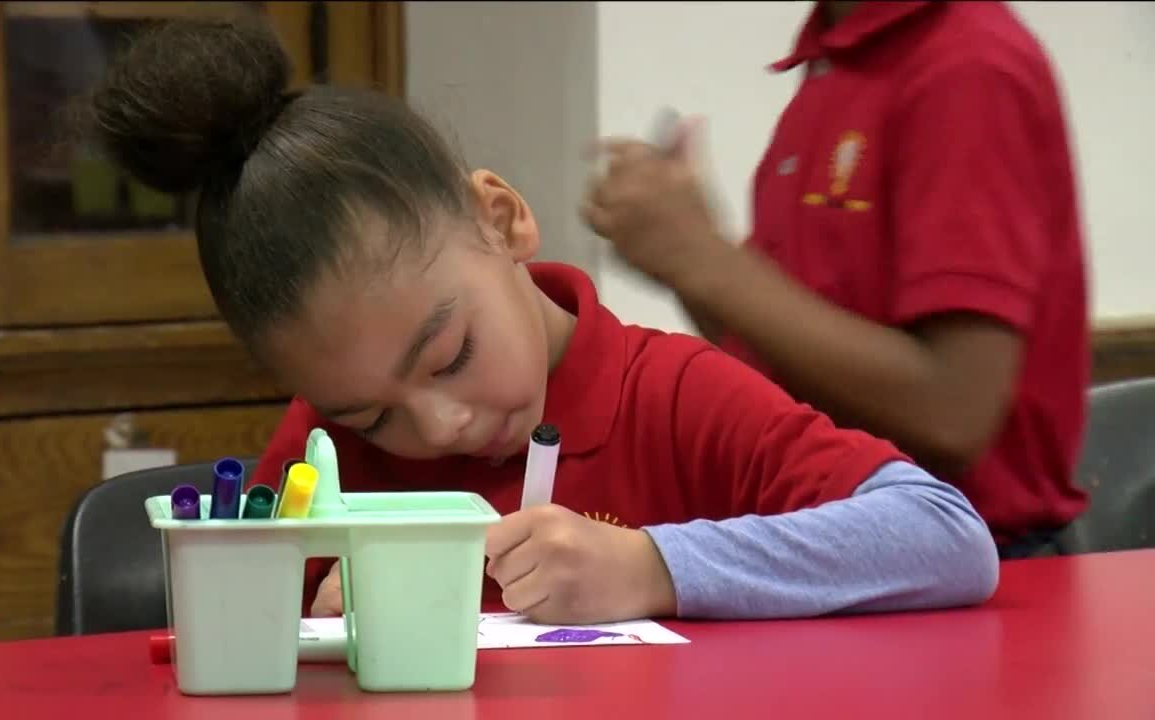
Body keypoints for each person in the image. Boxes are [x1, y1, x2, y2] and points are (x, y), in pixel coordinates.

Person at [82, 17, 998, 625]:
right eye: (373, 416)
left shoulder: (672, 394)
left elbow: (944, 538)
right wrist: (300, 634)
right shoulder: (328, 445)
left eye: (449, 355)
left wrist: (655, 568)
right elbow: (238, 634)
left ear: (502, 218)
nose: (435, 427)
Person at [583, 0, 1089, 560]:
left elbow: (953, 414)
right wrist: (684, 256)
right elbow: (791, 366)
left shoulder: (967, 64)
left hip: (963, 565)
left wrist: (704, 259)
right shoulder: (837, 56)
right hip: (833, 543)